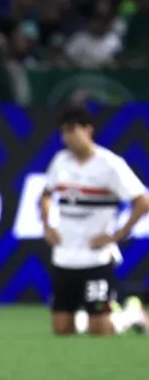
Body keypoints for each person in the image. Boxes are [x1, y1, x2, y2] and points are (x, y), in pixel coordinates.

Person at [40, 105, 149, 336]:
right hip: (64, 254)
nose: (67, 137)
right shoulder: (60, 161)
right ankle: (86, 316)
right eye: (64, 131)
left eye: (72, 130)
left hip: (95, 257)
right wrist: (47, 226)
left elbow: (142, 201)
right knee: (61, 330)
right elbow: (47, 195)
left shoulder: (110, 164)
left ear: (88, 130)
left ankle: (131, 314)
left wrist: (117, 235)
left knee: (100, 331)